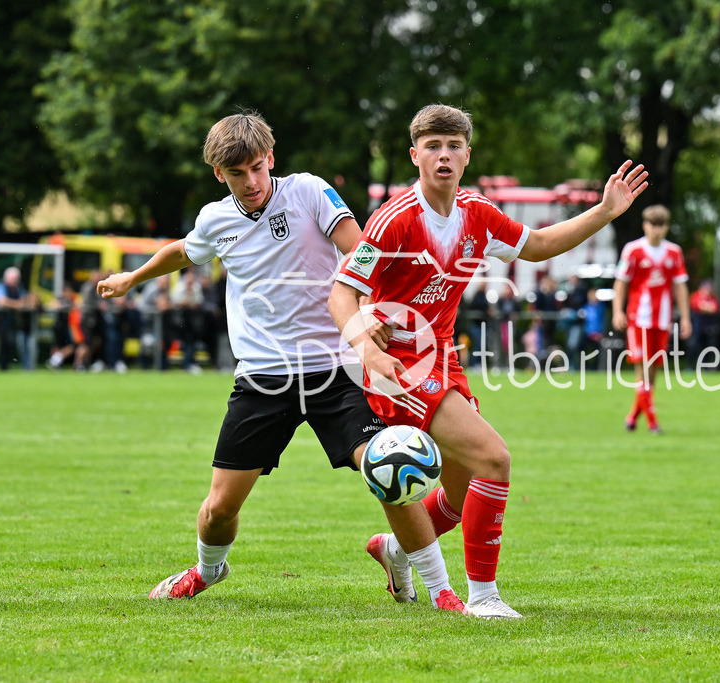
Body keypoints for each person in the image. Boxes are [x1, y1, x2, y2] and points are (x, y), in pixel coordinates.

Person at [97, 111, 464, 612]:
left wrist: (370, 308)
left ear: (271, 158)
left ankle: (442, 591)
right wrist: (131, 279)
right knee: (218, 509)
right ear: (219, 175)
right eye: (236, 174)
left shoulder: (309, 191)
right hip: (264, 379)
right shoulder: (215, 219)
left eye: (256, 167)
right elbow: (183, 252)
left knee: (389, 465)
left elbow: (359, 248)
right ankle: (207, 571)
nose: (250, 182)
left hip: (337, 369)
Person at [328, 103, 649, 618]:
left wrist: (606, 212)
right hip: (399, 368)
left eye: (454, 146)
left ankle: (395, 549)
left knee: (458, 495)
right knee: (494, 459)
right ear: (415, 156)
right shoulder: (393, 219)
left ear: (467, 154)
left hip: (444, 362)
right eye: (432, 146)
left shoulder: (478, 213)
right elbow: (342, 294)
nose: (444, 155)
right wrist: (366, 344)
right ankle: (484, 597)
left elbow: (540, 245)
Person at [611, 204, 691, 433]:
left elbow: (680, 286)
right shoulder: (633, 250)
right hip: (639, 319)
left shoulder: (674, 252)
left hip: (662, 320)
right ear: (645, 225)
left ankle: (633, 416)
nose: (656, 230)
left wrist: (685, 318)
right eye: (652, 225)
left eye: (661, 225)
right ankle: (653, 422)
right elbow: (621, 282)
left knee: (653, 371)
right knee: (642, 370)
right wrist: (618, 311)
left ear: (666, 227)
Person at [0, 266, 36, 371]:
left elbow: (23, 302)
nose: (13, 280)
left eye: (15, 278)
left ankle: (4, 367)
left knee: (6, 342)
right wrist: (16, 304)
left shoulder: (19, 288)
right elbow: (1, 301)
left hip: (4, 319)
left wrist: (11, 303)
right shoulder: (0, 286)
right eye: (12, 278)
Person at [687, 278, 720, 367]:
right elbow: (697, 306)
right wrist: (707, 307)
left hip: (708, 326)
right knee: (694, 345)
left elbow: (715, 308)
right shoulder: (696, 296)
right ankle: (689, 366)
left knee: (707, 347)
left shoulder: (713, 298)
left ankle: (704, 366)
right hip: (697, 326)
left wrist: (704, 307)